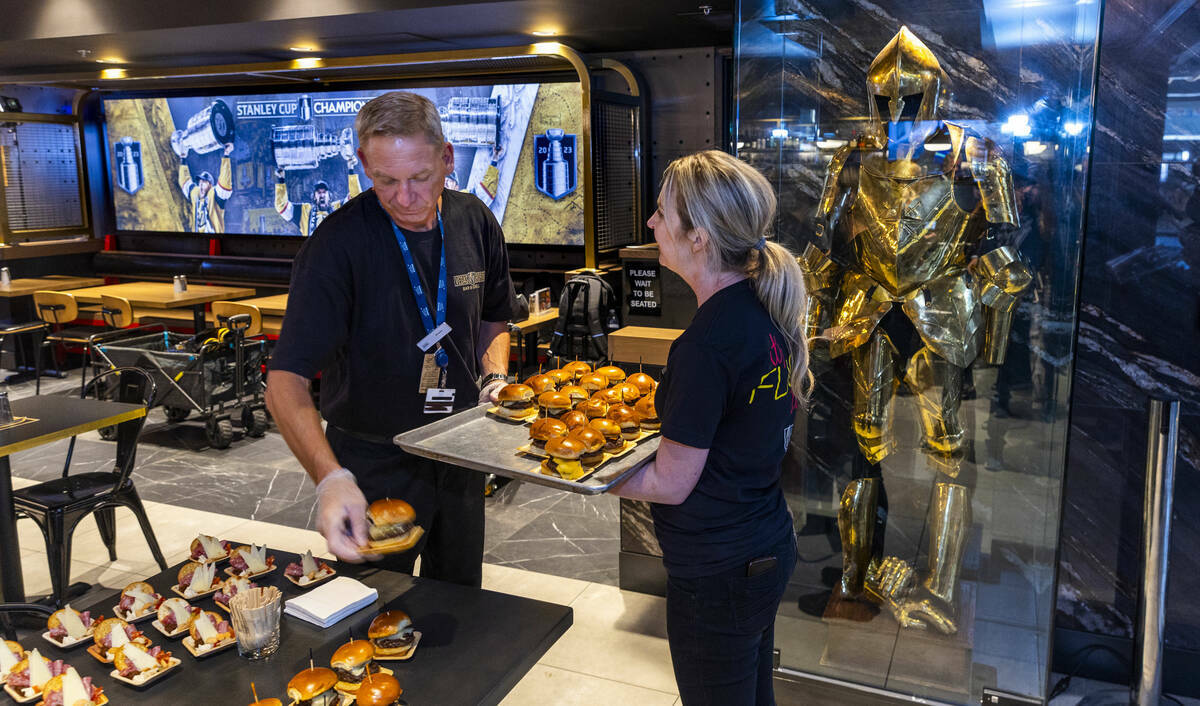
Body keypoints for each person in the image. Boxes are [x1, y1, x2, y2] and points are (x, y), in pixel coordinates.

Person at [266, 91, 516, 588]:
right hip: (372, 458)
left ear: (446, 157)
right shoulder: (336, 246)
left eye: (420, 177)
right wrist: (331, 479)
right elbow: (284, 382)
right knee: (372, 609)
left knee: (460, 601)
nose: (404, 197)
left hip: (459, 448)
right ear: (363, 164)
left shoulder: (475, 220)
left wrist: (495, 377)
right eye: (385, 180)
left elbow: (493, 317)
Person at [611, 150, 808, 705]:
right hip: (764, 545)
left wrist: (578, 478)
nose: (650, 224)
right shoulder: (762, 308)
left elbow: (671, 484)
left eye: (660, 212)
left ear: (698, 236)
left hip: (719, 570)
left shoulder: (704, 344)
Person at [274, 162, 363, 237]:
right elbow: (282, 206)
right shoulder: (305, 211)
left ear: (330, 196)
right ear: (314, 197)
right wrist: (281, 180)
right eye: (319, 192)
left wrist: (351, 171)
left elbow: (356, 199)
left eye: (324, 192)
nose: (322, 195)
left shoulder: (339, 208)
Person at [178, 141, 234, 233]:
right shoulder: (195, 193)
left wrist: (226, 155)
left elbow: (225, 181)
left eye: (204, 182)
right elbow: (185, 181)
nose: (200, 184)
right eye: (200, 182)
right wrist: (183, 158)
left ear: (210, 185)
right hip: (198, 240)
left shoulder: (215, 194)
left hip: (213, 240)